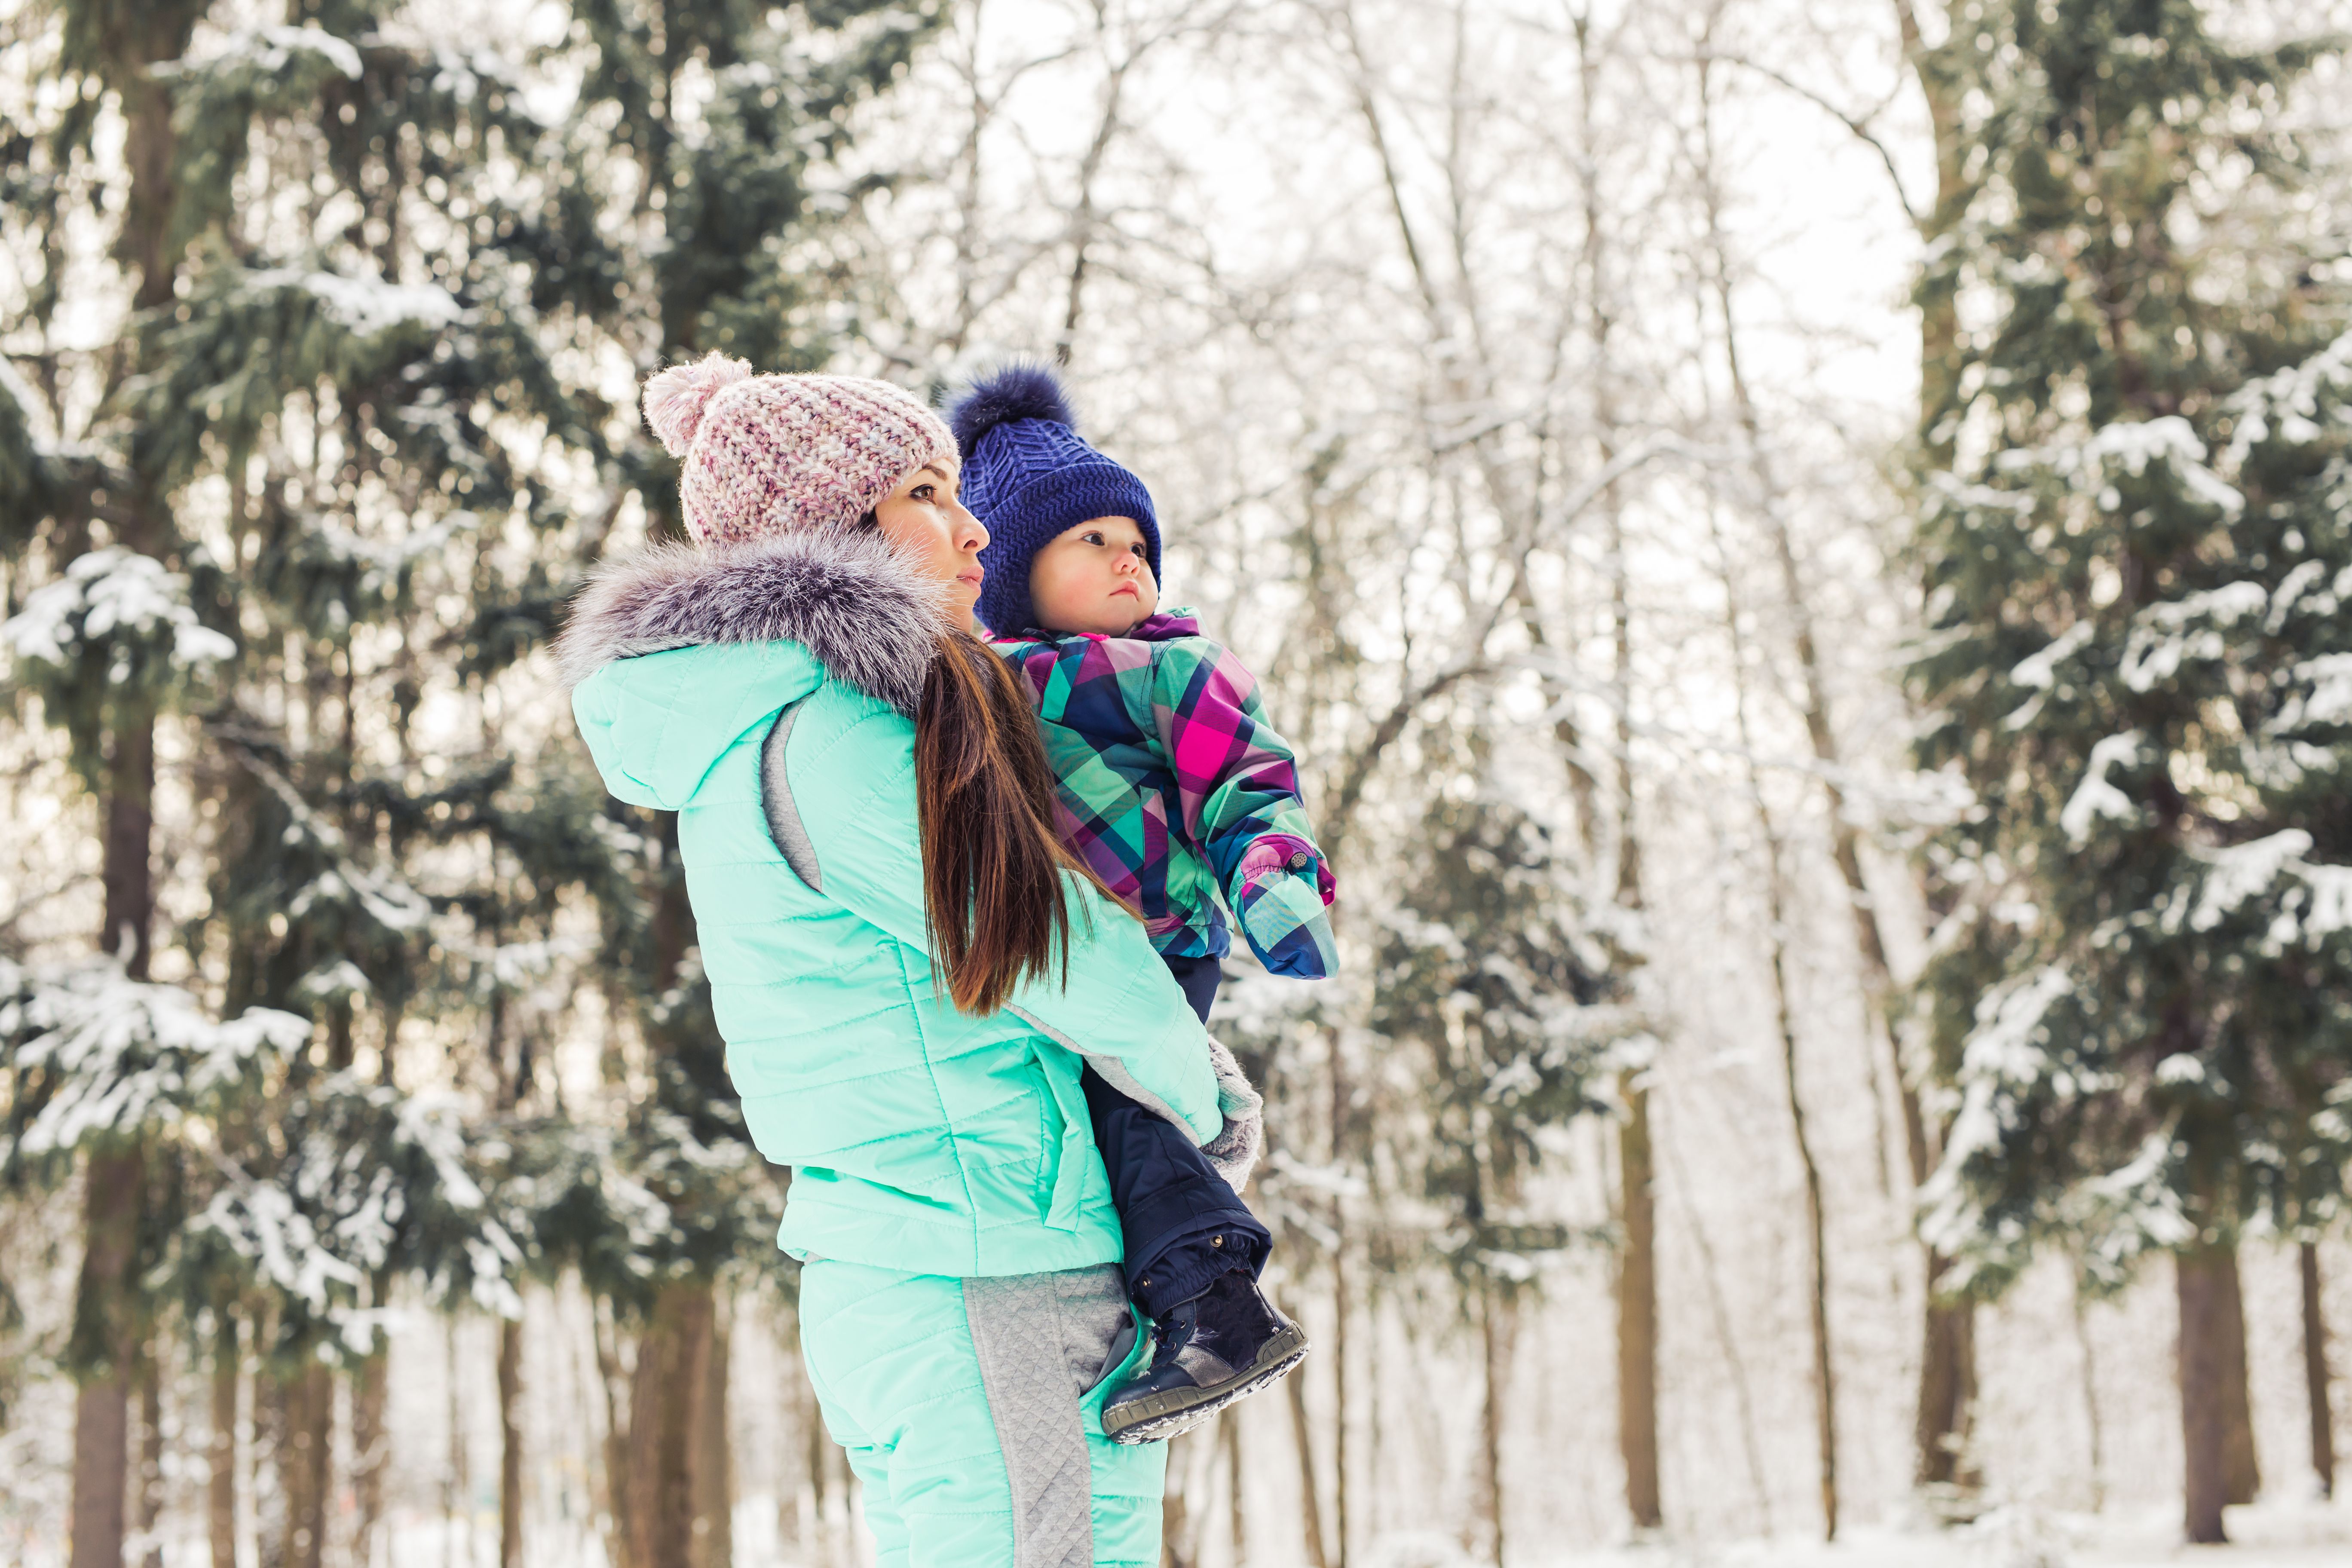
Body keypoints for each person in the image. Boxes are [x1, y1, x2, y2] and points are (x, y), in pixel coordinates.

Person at [559, 353, 1260, 1567]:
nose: (974, 525)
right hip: (989, 1257)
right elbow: (1047, 941)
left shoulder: (759, 728)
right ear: (834, 525)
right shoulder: (835, 739)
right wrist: (1205, 1100)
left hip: (921, 1262)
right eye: (928, 492)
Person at [945, 362, 1333, 1444]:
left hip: (1159, 937)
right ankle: (1152, 1321)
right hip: (1045, 954)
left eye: (1138, 542)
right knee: (1078, 1138)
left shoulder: (1177, 672)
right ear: (1017, 574)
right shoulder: (979, 684)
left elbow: (1251, 786)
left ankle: (1219, 1306)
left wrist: (1275, 881)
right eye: (1094, 543)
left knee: (1134, 1112)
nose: (1129, 560)